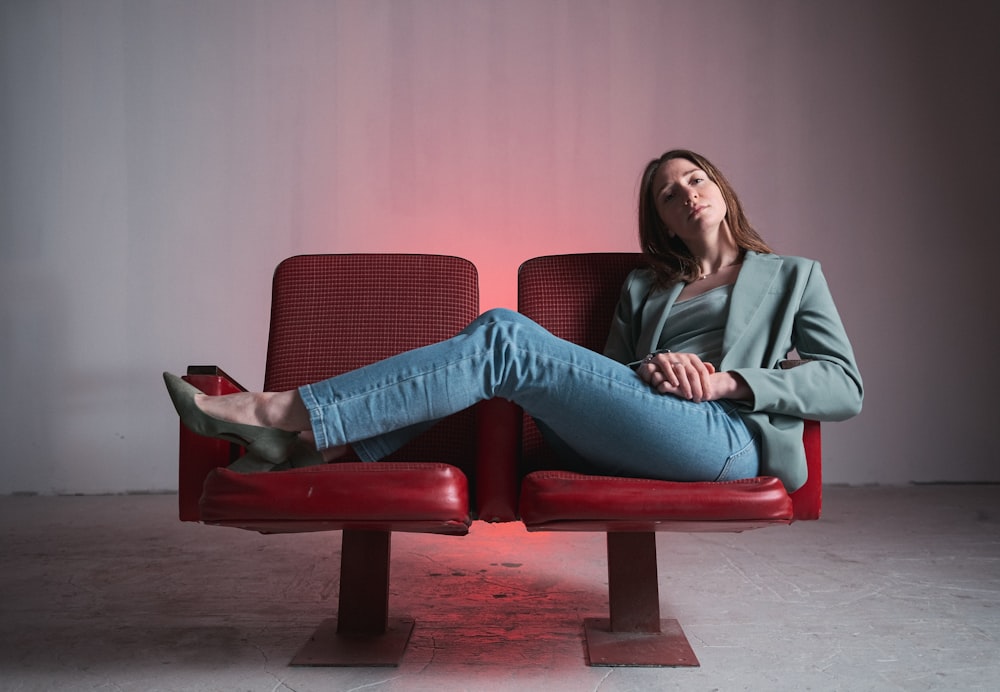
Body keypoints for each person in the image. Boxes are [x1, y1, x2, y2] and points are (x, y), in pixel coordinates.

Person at [164, 149, 863, 490]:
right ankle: (316, 440)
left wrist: (728, 383)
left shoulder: (794, 276)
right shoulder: (645, 286)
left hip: (723, 438)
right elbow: (609, 380)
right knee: (497, 344)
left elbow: (844, 386)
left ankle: (289, 417)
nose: (685, 194)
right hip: (641, 421)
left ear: (720, 189)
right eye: (668, 194)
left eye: (695, 180)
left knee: (500, 336)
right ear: (664, 223)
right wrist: (652, 368)